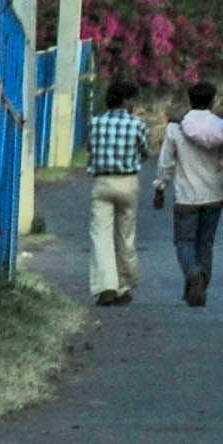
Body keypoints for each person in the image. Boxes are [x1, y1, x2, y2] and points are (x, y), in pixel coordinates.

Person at [157, 79, 223, 306]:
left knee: (184, 241)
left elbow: (166, 163)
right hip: (215, 194)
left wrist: (160, 187)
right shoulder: (222, 128)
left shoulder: (176, 129)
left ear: (190, 101)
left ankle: (192, 274)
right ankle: (201, 280)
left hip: (186, 196)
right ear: (212, 101)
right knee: (205, 242)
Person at [82, 79, 149, 305]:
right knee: (125, 236)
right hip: (127, 182)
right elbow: (144, 151)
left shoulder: (95, 123)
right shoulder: (137, 124)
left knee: (101, 236)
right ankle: (124, 286)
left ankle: (106, 286)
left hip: (102, 182)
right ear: (126, 101)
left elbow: (90, 148)